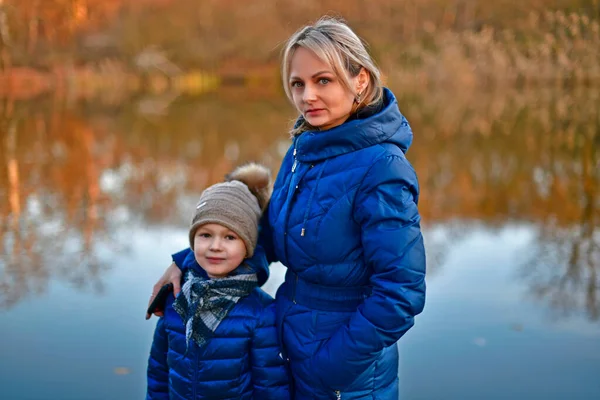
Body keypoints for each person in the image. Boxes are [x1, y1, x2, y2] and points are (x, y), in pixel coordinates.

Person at [147, 16, 426, 399]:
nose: (307, 96)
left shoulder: (383, 169)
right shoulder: (303, 149)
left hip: (345, 375)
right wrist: (186, 262)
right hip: (286, 347)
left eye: (322, 80)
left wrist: (331, 367)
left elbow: (401, 293)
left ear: (360, 79)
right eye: (298, 83)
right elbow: (273, 236)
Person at [145, 163, 289, 400]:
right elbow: (159, 372)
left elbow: (270, 387)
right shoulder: (176, 299)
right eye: (205, 235)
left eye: (230, 237)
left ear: (248, 247)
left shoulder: (261, 314)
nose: (215, 246)